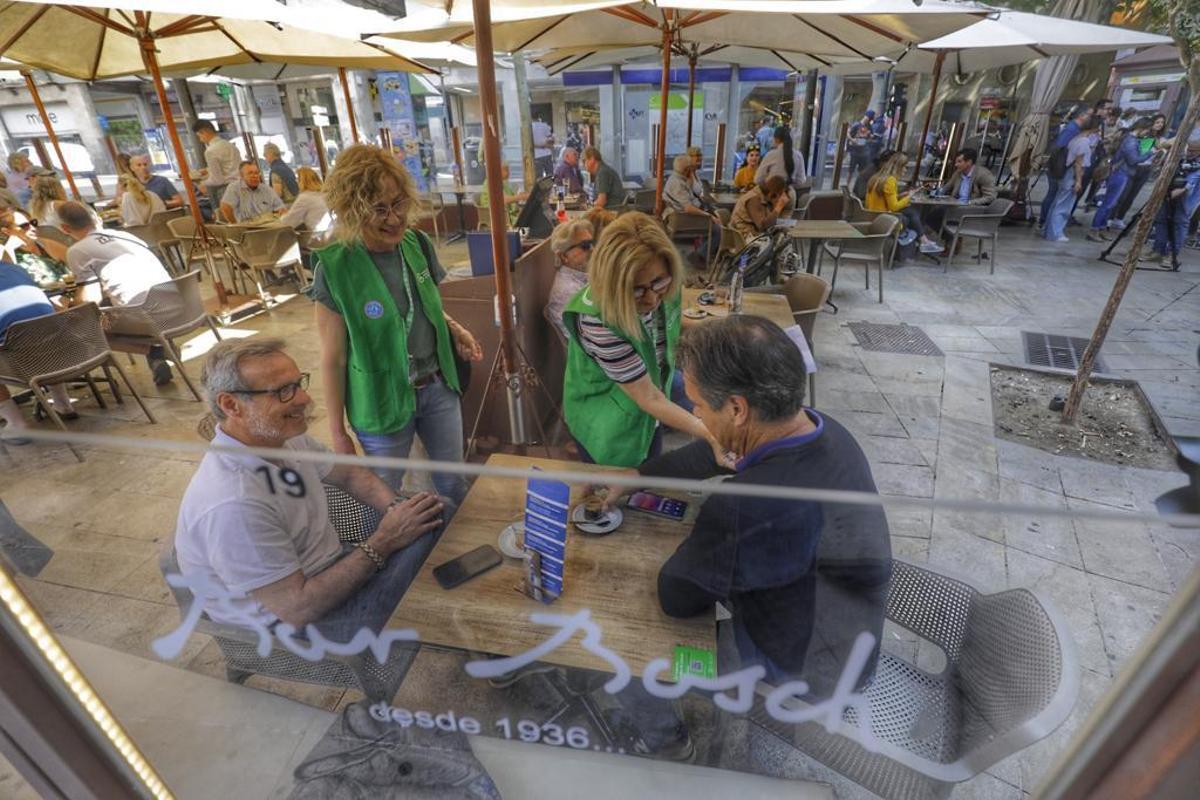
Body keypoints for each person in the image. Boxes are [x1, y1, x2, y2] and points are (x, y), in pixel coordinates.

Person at [600, 315, 891, 754]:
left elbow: (676, 596)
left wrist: (703, 533)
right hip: (844, 638)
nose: (694, 415)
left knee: (617, 642)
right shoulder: (820, 429)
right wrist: (639, 475)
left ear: (737, 409)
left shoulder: (746, 505)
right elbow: (718, 452)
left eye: (698, 404)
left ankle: (663, 740)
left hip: (797, 679)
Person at [175, 338, 446, 643]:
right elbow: (297, 608)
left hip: (327, 568)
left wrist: (398, 509)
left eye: (298, 383)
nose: (304, 398)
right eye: (282, 391)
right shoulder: (232, 503)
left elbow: (352, 476)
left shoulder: (282, 437)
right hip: (295, 626)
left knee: (434, 517)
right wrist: (384, 541)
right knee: (434, 543)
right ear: (231, 405)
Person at [312, 144, 482, 504]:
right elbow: (333, 358)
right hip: (380, 398)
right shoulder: (335, 268)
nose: (394, 218)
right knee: (384, 494)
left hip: (436, 385)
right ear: (352, 211)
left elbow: (422, 306)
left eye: (399, 203)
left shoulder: (417, 243)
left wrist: (454, 328)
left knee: (453, 484)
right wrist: (338, 433)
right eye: (379, 209)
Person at [560, 211, 726, 468]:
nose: (651, 300)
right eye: (636, 290)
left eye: (658, 283)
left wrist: (716, 328)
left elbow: (666, 322)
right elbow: (649, 398)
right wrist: (709, 433)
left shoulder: (662, 284)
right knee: (617, 489)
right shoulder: (596, 319)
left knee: (648, 471)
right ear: (612, 285)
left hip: (650, 407)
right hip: (607, 421)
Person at [57, 201, 177, 386]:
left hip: (145, 316)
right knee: (116, 308)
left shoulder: (77, 250)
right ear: (95, 218)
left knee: (85, 326)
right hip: (180, 303)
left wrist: (70, 305)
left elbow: (90, 300)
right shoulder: (125, 235)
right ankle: (157, 350)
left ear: (65, 228)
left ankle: (154, 350)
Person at [0, 259, 75, 441]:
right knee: (40, 333)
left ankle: (17, 424)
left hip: (23, 362)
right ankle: (63, 404)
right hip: (67, 352)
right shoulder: (16, 269)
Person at [1088, 116, 1157, 242]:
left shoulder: (1130, 139)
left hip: (1121, 173)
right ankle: (1094, 229)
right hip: (1120, 173)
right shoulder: (1131, 141)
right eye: (1147, 129)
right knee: (1108, 203)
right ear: (1142, 128)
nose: (1148, 132)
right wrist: (1150, 152)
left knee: (1111, 203)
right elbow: (1134, 160)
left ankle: (1101, 228)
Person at [865, 152, 943, 254]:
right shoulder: (890, 180)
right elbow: (894, 207)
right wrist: (909, 197)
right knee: (911, 215)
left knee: (911, 213)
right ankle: (921, 242)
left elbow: (882, 198)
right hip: (884, 219)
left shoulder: (876, 177)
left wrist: (899, 196)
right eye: (905, 167)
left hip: (873, 215)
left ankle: (923, 241)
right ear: (898, 167)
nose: (906, 170)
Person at [1044, 117, 1100, 243]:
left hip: (1066, 173)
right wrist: (1079, 181)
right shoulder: (1084, 142)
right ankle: (1055, 233)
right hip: (1072, 175)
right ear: (1094, 128)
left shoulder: (1075, 139)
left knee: (1057, 203)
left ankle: (1049, 230)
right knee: (1063, 206)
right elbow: (1078, 164)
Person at [1038, 105, 1092, 230]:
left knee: (1055, 196)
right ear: (1082, 115)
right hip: (1060, 167)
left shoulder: (1073, 128)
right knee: (1054, 196)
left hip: (1060, 166)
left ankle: (1046, 223)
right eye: (1089, 115)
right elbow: (1060, 149)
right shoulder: (1071, 129)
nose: (1090, 117)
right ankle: (1045, 223)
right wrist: (1062, 166)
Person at [1112, 113, 1168, 226]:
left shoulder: (1161, 138)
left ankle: (1119, 218)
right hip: (1135, 167)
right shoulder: (1141, 136)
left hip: (1147, 168)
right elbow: (1137, 154)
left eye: (1162, 123)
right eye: (1157, 122)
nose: (1159, 125)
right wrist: (1152, 149)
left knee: (1132, 195)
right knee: (1123, 195)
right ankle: (1111, 217)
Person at [545, 217, 595, 343]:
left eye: (592, 242)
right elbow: (591, 339)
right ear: (563, 256)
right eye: (585, 246)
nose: (593, 249)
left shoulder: (582, 278)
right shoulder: (568, 290)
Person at [1143, 168, 1200, 269]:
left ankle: (1171, 255)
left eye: (1193, 151)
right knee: (1161, 220)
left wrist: (1183, 189)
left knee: (1179, 225)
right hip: (1168, 193)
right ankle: (1158, 251)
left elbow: (1192, 180)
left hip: (1185, 199)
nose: (1190, 152)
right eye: (1189, 150)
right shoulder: (1181, 157)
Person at [192, 119, 241, 207]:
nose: (201, 140)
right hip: (242, 186)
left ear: (205, 132)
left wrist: (201, 183)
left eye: (199, 136)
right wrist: (207, 170)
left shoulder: (210, 151)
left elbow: (217, 180)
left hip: (227, 190)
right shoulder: (230, 145)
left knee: (231, 218)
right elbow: (229, 165)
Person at [220, 161, 285, 224]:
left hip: (267, 224)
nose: (255, 176)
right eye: (250, 173)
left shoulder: (266, 189)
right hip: (246, 227)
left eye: (256, 173)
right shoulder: (234, 188)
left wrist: (282, 211)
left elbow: (281, 208)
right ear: (241, 176)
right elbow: (225, 207)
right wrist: (234, 224)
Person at [729, 175, 789, 241]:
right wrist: (779, 207)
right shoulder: (754, 199)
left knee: (784, 237)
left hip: (753, 234)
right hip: (743, 237)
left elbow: (769, 221)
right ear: (773, 193)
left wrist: (774, 207)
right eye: (780, 194)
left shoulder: (763, 198)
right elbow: (763, 226)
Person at [280, 167, 331, 238]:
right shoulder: (327, 194)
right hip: (332, 235)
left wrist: (283, 215)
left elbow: (288, 223)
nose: (296, 182)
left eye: (297, 179)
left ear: (302, 181)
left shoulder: (304, 197)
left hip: (318, 238)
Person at [477, 163, 527, 227]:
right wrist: (521, 197)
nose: (509, 173)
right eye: (506, 170)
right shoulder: (491, 183)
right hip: (496, 215)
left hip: (505, 212)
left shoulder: (501, 182)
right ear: (498, 171)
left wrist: (521, 195)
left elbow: (511, 195)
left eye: (508, 170)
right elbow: (504, 200)